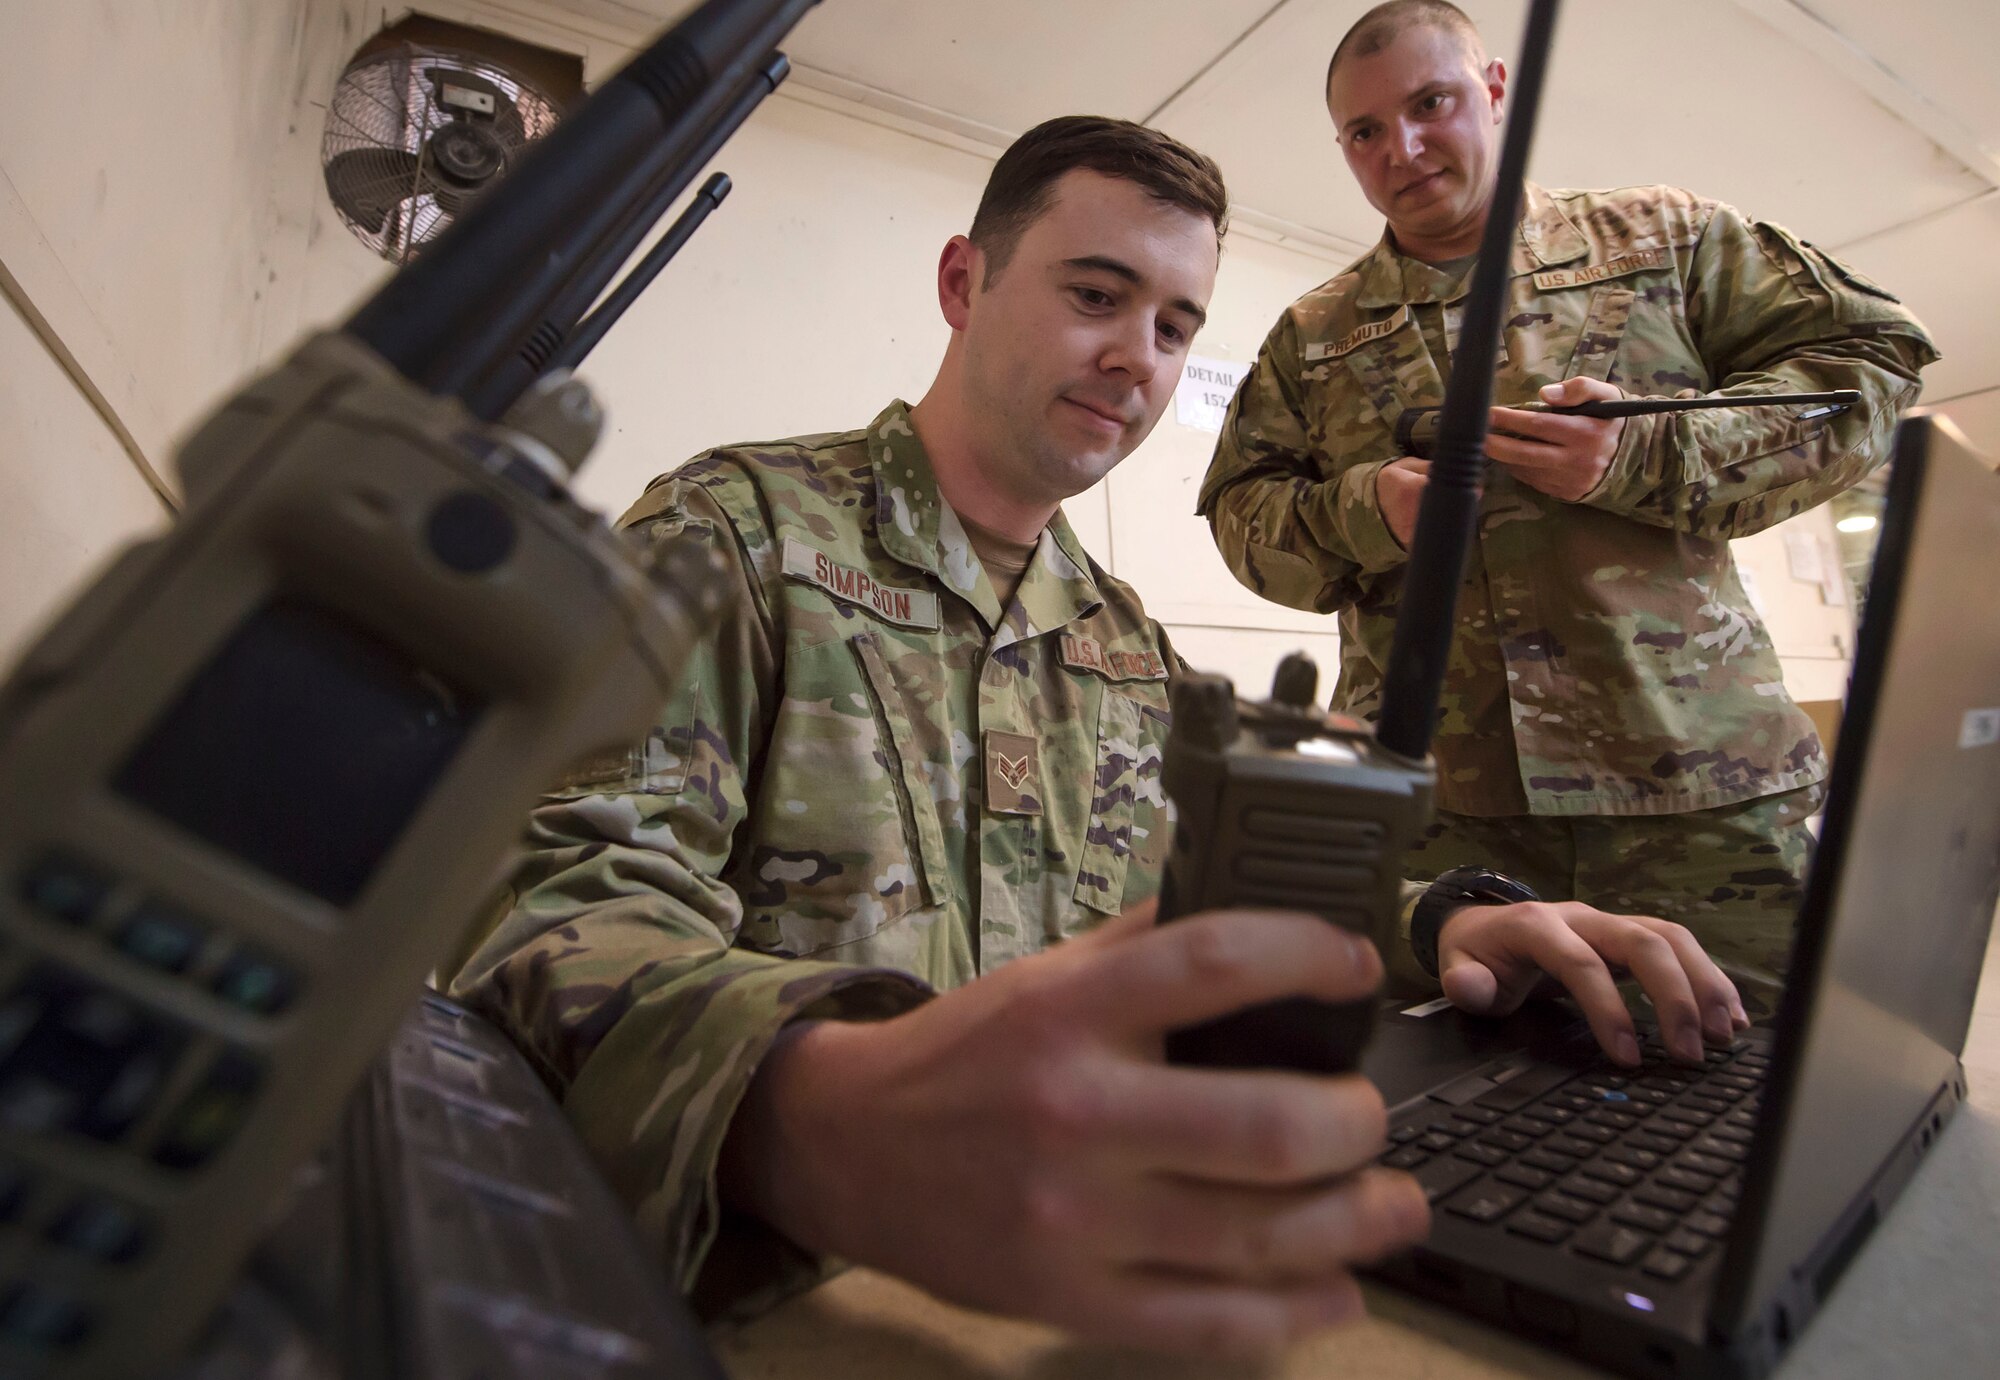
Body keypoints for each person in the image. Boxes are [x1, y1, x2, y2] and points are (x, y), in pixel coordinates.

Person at [451, 115, 1750, 1360]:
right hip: (773, 1296)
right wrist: (801, 1114)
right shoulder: (734, 536)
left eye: (1176, 324)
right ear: (966, 281)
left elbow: (1207, 904)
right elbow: (543, 919)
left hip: (1067, 1295)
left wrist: (1443, 921)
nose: (1141, 355)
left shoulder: (1124, 642)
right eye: (1095, 295)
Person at [1198, 1, 1938, 1006]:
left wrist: (1641, 452)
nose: (1401, 149)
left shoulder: (1660, 240)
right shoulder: (1313, 334)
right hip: (1444, 817)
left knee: (1756, 1092)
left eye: (1430, 103)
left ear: (1492, 90)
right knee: (1468, 1116)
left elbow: (1871, 356)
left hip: (1693, 796)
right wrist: (1366, 510)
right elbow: (1242, 514)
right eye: (1363, 132)